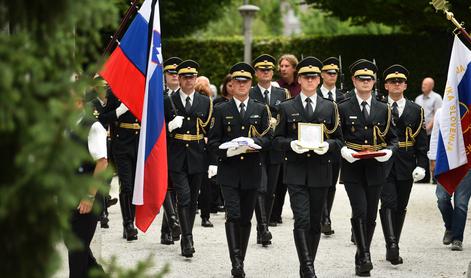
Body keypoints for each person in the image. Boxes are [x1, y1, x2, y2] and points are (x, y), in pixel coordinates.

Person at [273, 56, 343, 278]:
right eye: (305, 76)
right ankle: (308, 267)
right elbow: (276, 140)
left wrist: (328, 145)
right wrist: (291, 144)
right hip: (296, 170)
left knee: (315, 222)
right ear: (299, 80)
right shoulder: (286, 107)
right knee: (301, 218)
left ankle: (307, 263)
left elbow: (339, 140)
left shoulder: (330, 107)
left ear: (319, 79)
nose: (310, 80)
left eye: (314, 77)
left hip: (321, 170)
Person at [208, 62, 271, 278]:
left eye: (245, 82)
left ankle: (240, 257)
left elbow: (268, 138)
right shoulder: (220, 109)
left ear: (250, 84)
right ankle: (236, 262)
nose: (242, 85)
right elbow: (213, 143)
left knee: (245, 217)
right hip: (230, 171)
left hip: (252, 171)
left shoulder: (260, 109)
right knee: (233, 215)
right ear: (231, 85)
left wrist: (253, 142)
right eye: (237, 81)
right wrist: (228, 152)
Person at [338, 59, 397, 277]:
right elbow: (337, 136)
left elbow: (393, 139)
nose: (365, 82)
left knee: (371, 214)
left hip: (376, 167)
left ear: (374, 82)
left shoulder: (384, 108)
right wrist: (344, 151)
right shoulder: (342, 107)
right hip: (353, 166)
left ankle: (362, 253)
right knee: (360, 210)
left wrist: (389, 152)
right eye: (361, 78)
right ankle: (364, 256)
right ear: (353, 80)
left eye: (369, 78)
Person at [380, 64, 428, 264]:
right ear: (386, 85)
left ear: (406, 86)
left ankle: (394, 242)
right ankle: (392, 245)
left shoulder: (416, 110)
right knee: (388, 202)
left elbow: (421, 141)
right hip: (383, 161)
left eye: (400, 82)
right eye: (393, 82)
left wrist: (422, 164)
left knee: (401, 205)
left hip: (406, 162)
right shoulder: (379, 106)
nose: (396, 84)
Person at [164, 60, 212, 258]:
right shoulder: (168, 101)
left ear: (196, 78)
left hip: (197, 154)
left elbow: (211, 132)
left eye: (192, 77)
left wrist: (212, 160)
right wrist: (169, 126)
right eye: (184, 77)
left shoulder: (205, 102)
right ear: (180, 80)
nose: (188, 81)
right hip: (176, 154)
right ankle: (187, 238)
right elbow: (158, 132)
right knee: (183, 196)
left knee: (193, 199)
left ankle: (187, 234)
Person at [249, 54, 289, 246]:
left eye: (269, 70)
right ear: (256, 73)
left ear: (272, 72)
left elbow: (286, 117)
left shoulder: (282, 93)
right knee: (260, 187)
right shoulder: (249, 92)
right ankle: (262, 227)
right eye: (261, 70)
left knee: (271, 188)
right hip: (257, 145)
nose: (265, 72)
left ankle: (264, 223)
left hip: (275, 148)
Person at [66, 92, 107, 278]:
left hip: (88, 195)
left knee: (77, 249)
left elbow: (102, 163)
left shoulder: (93, 126)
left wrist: (89, 197)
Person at [98, 88, 140, 241]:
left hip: (140, 143)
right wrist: (118, 112)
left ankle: (130, 223)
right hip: (122, 143)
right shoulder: (115, 91)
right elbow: (103, 118)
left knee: (135, 186)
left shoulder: (145, 88)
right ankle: (128, 224)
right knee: (127, 185)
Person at [429, 107, 471, 251]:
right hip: (446, 162)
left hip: (467, 162)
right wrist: (432, 158)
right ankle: (450, 227)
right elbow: (435, 136)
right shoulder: (442, 112)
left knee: (461, 203)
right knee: (442, 198)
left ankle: (457, 238)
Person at [317, 57, 346, 236]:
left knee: (332, 184)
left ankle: (326, 215)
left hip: (335, 146)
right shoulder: (316, 95)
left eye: (335, 73)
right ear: (322, 75)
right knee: (321, 183)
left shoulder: (343, 96)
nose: (332, 75)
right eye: (329, 72)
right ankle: (324, 217)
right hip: (318, 145)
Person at [89, 77, 118, 229]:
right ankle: (102, 212)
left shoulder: (113, 102)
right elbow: (100, 120)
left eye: (106, 87)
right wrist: (115, 113)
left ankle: (104, 208)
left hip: (113, 143)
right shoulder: (92, 105)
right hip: (99, 144)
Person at [160, 57, 183, 245]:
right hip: (164, 146)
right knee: (165, 186)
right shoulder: (159, 95)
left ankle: (168, 227)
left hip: (183, 148)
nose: (174, 76)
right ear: (165, 76)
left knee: (176, 188)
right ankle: (171, 224)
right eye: (171, 73)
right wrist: (168, 126)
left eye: (178, 73)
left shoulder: (187, 95)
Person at [195, 75, 216, 228]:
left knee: (206, 184)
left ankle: (205, 214)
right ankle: (202, 214)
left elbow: (212, 127)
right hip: (195, 145)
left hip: (205, 147)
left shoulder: (210, 105)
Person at [415, 77, 442, 183]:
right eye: (422, 84)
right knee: (422, 153)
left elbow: (437, 114)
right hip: (420, 132)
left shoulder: (437, 98)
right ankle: (423, 177)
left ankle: (436, 177)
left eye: (425, 84)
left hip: (432, 132)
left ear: (431, 86)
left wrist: (429, 127)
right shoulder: (418, 98)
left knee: (434, 153)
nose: (423, 86)